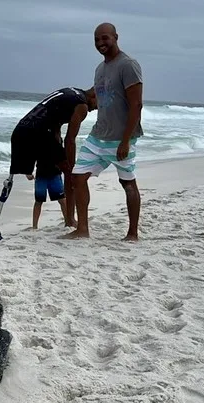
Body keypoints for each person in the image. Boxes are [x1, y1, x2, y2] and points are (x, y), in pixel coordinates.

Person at [63, 23, 143, 241]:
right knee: (78, 177)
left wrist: (125, 141)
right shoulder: (99, 69)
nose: (100, 44)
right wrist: (72, 97)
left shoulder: (128, 65)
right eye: (96, 40)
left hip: (121, 138)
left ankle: (132, 233)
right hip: (98, 135)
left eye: (104, 38)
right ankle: (82, 229)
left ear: (116, 37)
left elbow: (136, 105)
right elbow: (97, 96)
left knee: (127, 183)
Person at [10, 87, 97, 227]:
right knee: (71, 174)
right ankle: (70, 220)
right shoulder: (82, 106)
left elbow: (54, 119)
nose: (97, 108)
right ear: (95, 94)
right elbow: (70, 139)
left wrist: (58, 148)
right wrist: (71, 165)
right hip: (40, 133)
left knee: (15, 173)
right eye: (99, 104)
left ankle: (68, 218)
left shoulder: (70, 91)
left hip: (21, 130)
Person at [25, 153, 68, 230]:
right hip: (41, 175)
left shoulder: (57, 140)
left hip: (55, 174)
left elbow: (62, 154)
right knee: (38, 201)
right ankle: (34, 226)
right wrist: (28, 172)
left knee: (62, 200)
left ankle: (68, 222)